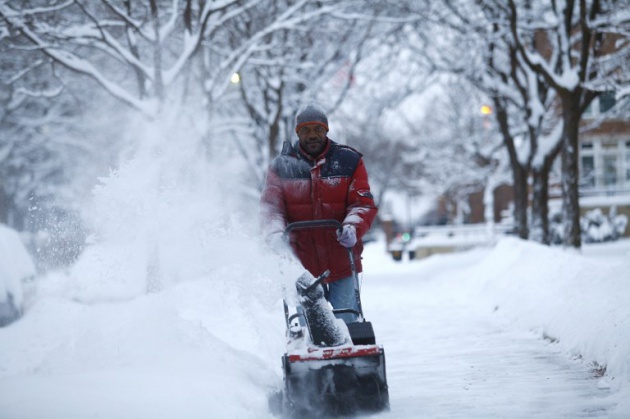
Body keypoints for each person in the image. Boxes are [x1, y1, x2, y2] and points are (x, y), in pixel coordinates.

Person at [260, 102, 378, 323]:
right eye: (305, 130)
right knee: (311, 329)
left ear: (326, 130)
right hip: (301, 266)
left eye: (317, 129)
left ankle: (351, 355)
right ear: (298, 132)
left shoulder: (348, 161)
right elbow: (271, 210)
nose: (312, 135)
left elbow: (362, 203)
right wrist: (275, 234)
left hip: (342, 261)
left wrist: (352, 226)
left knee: (348, 322)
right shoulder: (281, 167)